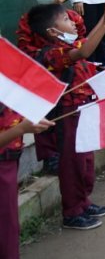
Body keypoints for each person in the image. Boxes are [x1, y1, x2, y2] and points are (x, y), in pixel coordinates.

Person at [27, 0, 105, 230]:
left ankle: (84, 202)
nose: (73, 22)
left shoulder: (69, 46)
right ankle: (72, 211)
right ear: (52, 31)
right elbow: (85, 50)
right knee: (72, 163)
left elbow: (84, 49)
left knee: (85, 160)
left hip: (83, 109)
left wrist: (103, 22)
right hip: (68, 114)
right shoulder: (52, 54)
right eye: (66, 19)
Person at [16, 0, 85, 175]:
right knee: (44, 114)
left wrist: (70, 57)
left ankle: (68, 149)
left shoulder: (74, 19)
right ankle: (49, 156)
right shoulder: (30, 18)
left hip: (69, 75)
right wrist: (47, 58)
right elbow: (24, 46)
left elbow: (82, 42)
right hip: (41, 73)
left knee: (65, 114)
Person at [0, 108, 53, 258]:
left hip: (10, 159)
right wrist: (21, 128)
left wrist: (28, 123)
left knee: (9, 227)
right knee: (6, 230)